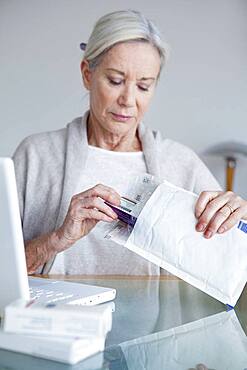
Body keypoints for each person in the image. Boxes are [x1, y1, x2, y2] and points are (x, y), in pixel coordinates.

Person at [13, 9, 247, 275]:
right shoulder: (36, 156)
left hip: (160, 319)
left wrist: (241, 215)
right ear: (87, 74)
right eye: (116, 81)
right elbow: (3, 270)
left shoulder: (181, 164)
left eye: (144, 86)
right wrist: (56, 240)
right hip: (54, 317)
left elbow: (231, 261)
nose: (128, 99)